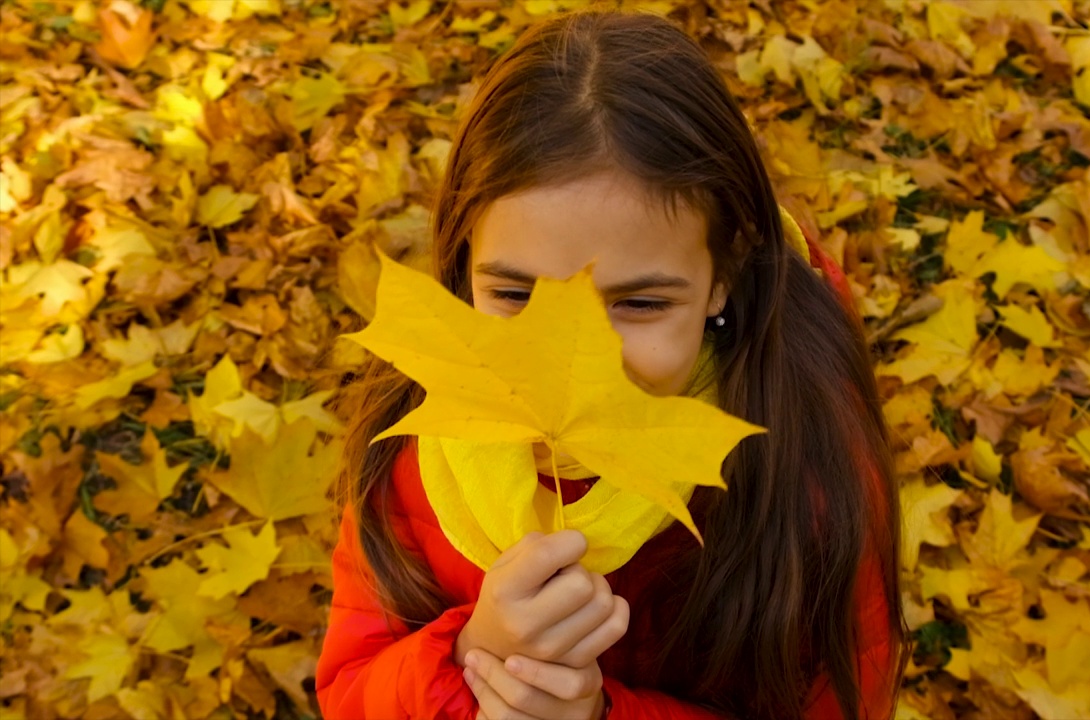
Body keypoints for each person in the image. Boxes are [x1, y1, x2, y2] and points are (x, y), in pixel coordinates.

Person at [315, 9, 906, 720]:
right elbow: (352, 686)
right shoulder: (412, 437)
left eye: (639, 303)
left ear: (722, 277)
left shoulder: (807, 473)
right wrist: (475, 657)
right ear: (462, 261)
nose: (567, 357)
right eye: (513, 293)